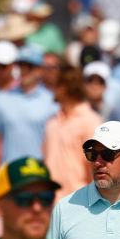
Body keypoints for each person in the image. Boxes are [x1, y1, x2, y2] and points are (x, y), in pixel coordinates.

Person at [0, 45, 59, 163]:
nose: (24, 70)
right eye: (20, 65)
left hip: (39, 172)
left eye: (29, 66)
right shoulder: (1, 99)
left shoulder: (52, 102)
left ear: (40, 70)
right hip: (8, 172)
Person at [43, 65, 102, 199]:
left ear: (65, 87)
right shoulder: (52, 123)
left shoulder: (91, 122)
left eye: (56, 85)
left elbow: (96, 166)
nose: (53, 89)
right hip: (51, 203)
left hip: (80, 203)